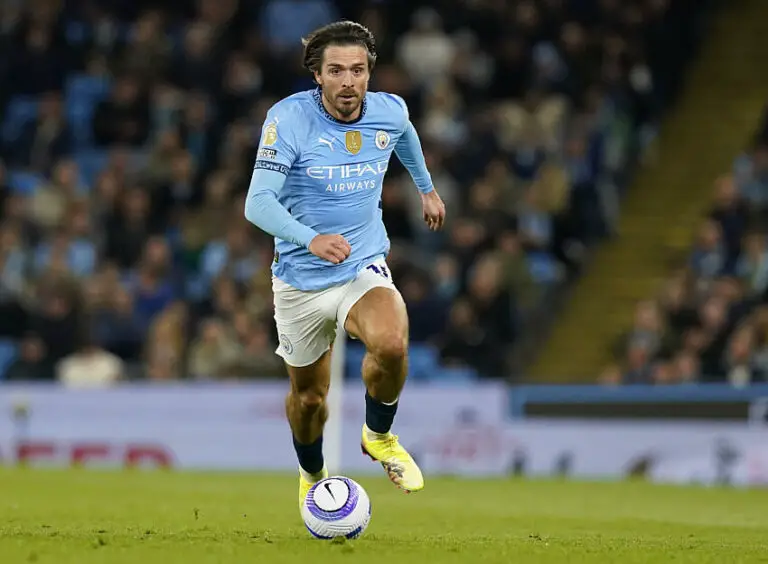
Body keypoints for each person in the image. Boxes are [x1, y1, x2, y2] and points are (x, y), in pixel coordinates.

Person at [244, 20, 446, 508]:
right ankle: (312, 473)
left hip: (361, 262)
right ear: (318, 75)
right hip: (299, 278)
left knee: (391, 343)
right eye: (336, 71)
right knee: (309, 399)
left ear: (369, 73)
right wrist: (309, 239)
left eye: (358, 70)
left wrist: (426, 188)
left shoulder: (388, 110)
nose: (348, 81)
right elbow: (257, 203)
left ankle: (379, 435)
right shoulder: (288, 120)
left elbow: (404, 135)